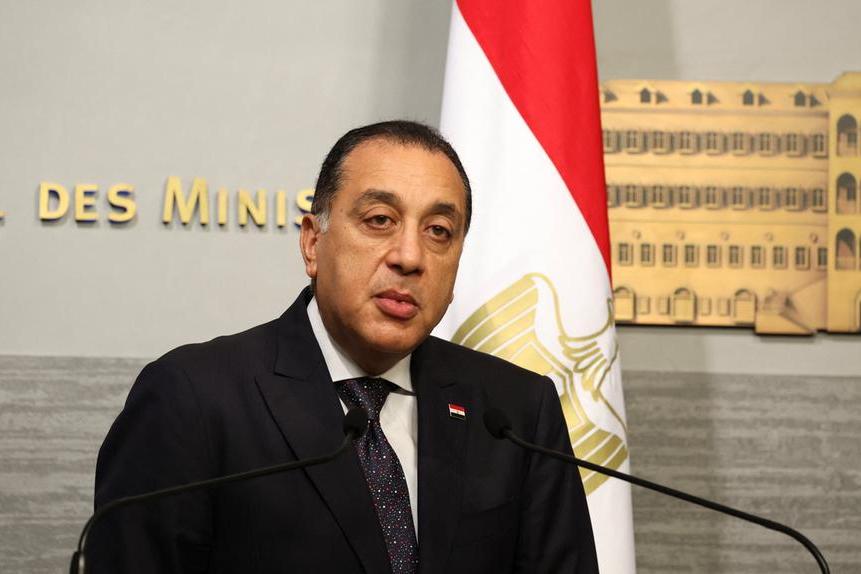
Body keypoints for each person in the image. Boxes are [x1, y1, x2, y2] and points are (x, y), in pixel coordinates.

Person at [91, 121, 599, 573]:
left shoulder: (515, 412)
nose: (409, 257)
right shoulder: (194, 398)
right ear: (313, 243)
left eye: (438, 231)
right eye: (380, 220)